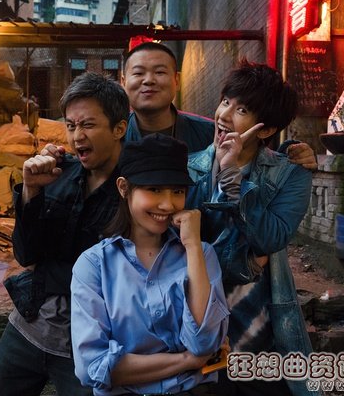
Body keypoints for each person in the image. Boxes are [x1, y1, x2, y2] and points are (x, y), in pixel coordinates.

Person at [0, 72, 129, 396]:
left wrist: (46, 271)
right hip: (30, 325)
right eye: (71, 125)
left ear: (119, 128)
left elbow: (113, 277)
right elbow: (26, 254)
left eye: (88, 125)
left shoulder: (134, 190)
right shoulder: (58, 173)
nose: (77, 136)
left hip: (91, 340)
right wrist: (30, 191)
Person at [184, 59, 316, 396]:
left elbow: (271, 237)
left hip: (257, 330)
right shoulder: (188, 168)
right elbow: (179, 247)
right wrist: (242, 264)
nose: (224, 115)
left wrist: (232, 179)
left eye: (241, 110)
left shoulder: (291, 174)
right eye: (226, 102)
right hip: (194, 325)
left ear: (266, 130)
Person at [70, 133, 229, 395]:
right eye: (154, 189)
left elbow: (204, 344)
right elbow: (92, 367)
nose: (167, 204)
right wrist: (187, 361)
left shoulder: (201, 255)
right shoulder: (94, 266)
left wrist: (192, 246)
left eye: (177, 191)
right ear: (124, 188)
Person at [121, 41, 318, 170]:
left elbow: (255, 159)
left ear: (177, 80)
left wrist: (292, 154)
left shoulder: (212, 133)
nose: (149, 80)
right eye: (138, 73)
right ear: (123, 82)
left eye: (159, 72)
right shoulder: (112, 137)